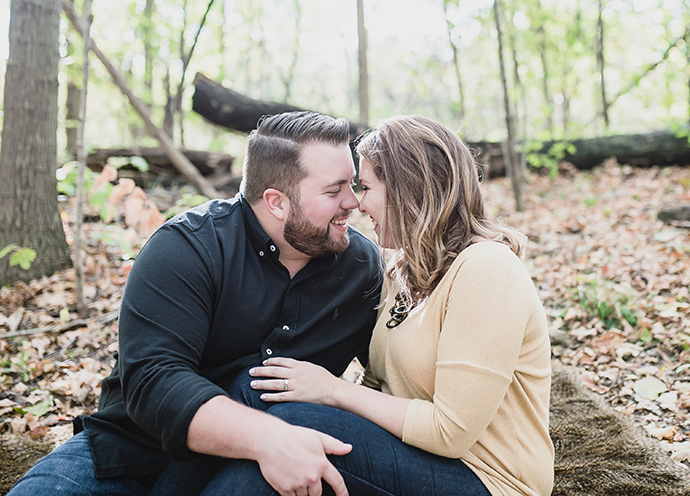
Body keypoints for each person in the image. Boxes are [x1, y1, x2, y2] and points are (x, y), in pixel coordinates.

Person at [8, 111, 385, 496]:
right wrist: (267, 437)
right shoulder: (187, 247)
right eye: (333, 190)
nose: (353, 202)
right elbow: (154, 381)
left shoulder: (362, 269)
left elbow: (392, 378)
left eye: (353, 185)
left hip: (259, 473)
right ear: (277, 203)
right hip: (131, 455)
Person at [201, 114, 554, 495]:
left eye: (365, 187)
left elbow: (449, 433)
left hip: (488, 479)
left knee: (294, 423)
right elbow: (379, 387)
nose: (357, 204)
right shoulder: (402, 270)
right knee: (258, 389)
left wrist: (331, 391)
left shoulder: (487, 269)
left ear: (410, 189)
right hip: (414, 457)